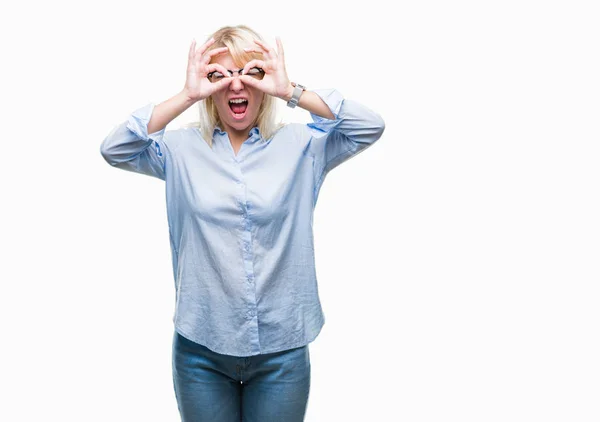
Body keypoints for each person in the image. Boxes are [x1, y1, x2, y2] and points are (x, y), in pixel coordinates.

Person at [100, 24, 385, 422]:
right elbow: (115, 148)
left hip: (282, 349)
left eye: (249, 73)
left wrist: (291, 92)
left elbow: (368, 126)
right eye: (220, 76)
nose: (235, 86)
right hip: (201, 349)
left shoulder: (303, 146)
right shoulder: (179, 149)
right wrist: (187, 95)